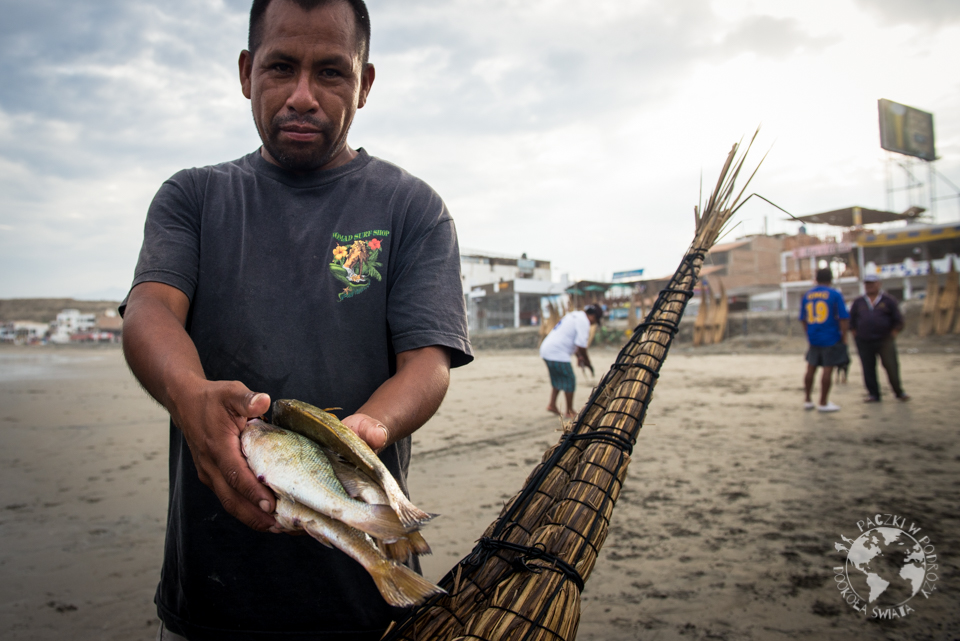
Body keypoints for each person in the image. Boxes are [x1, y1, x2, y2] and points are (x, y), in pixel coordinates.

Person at [120, 1, 473, 639]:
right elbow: (150, 309)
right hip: (207, 598)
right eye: (281, 67)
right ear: (247, 72)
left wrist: (372, 427)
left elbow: (428, 361)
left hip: (360, 605)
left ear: (365, 84)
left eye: (332, 73)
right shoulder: (194, 197)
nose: (303, 96)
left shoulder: (411, 208)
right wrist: (191, 396)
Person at [849, 274, 909, 402]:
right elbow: (852, 321)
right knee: (868, 368)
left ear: (878, 284)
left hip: (884, 341)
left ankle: (899, 392)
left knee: (891, 366)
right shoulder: (859, 302)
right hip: (864, 341)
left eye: (872, 283)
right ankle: (873, 394)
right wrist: (856, 335)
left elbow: (898, 320)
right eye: (867, 284)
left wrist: (893, 334)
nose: (869, 286)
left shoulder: (888, 300)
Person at [539, 304, 603, 418]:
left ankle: (552, 405)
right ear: (593, 316)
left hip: (546, 350)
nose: (593, 324)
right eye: (595, 320)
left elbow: (573, 342)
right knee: (570, 380)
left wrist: (579, 356)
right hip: (557, 353)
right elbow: (581, 346)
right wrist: (588, 363)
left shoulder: (575, 315)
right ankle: (569, 410)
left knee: (558, 378)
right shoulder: (584, 322)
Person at [799, 268, 849, 412]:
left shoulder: (807, 295)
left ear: (816, 279)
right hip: (830, 337)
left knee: (810, 368)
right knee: (828, 369)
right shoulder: (834, 294)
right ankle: (823, 402)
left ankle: (807, 400)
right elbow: (843, 318)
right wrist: (844, 337)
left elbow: (803, 319)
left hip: (814, 337)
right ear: (830, 279)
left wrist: (808, 334)